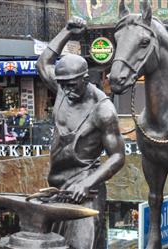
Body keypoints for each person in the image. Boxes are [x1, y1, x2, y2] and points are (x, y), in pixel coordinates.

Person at [36, 17, 125, 249]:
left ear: (85, 80)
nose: (66, 90)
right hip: (57, 187)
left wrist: (87, 183)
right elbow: (43, 62)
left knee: (82, 245)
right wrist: (66, 31)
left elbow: (118, 156)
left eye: (72, 85)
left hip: (86, 189)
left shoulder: (103, 109)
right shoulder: (64, 89)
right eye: (62, 84)